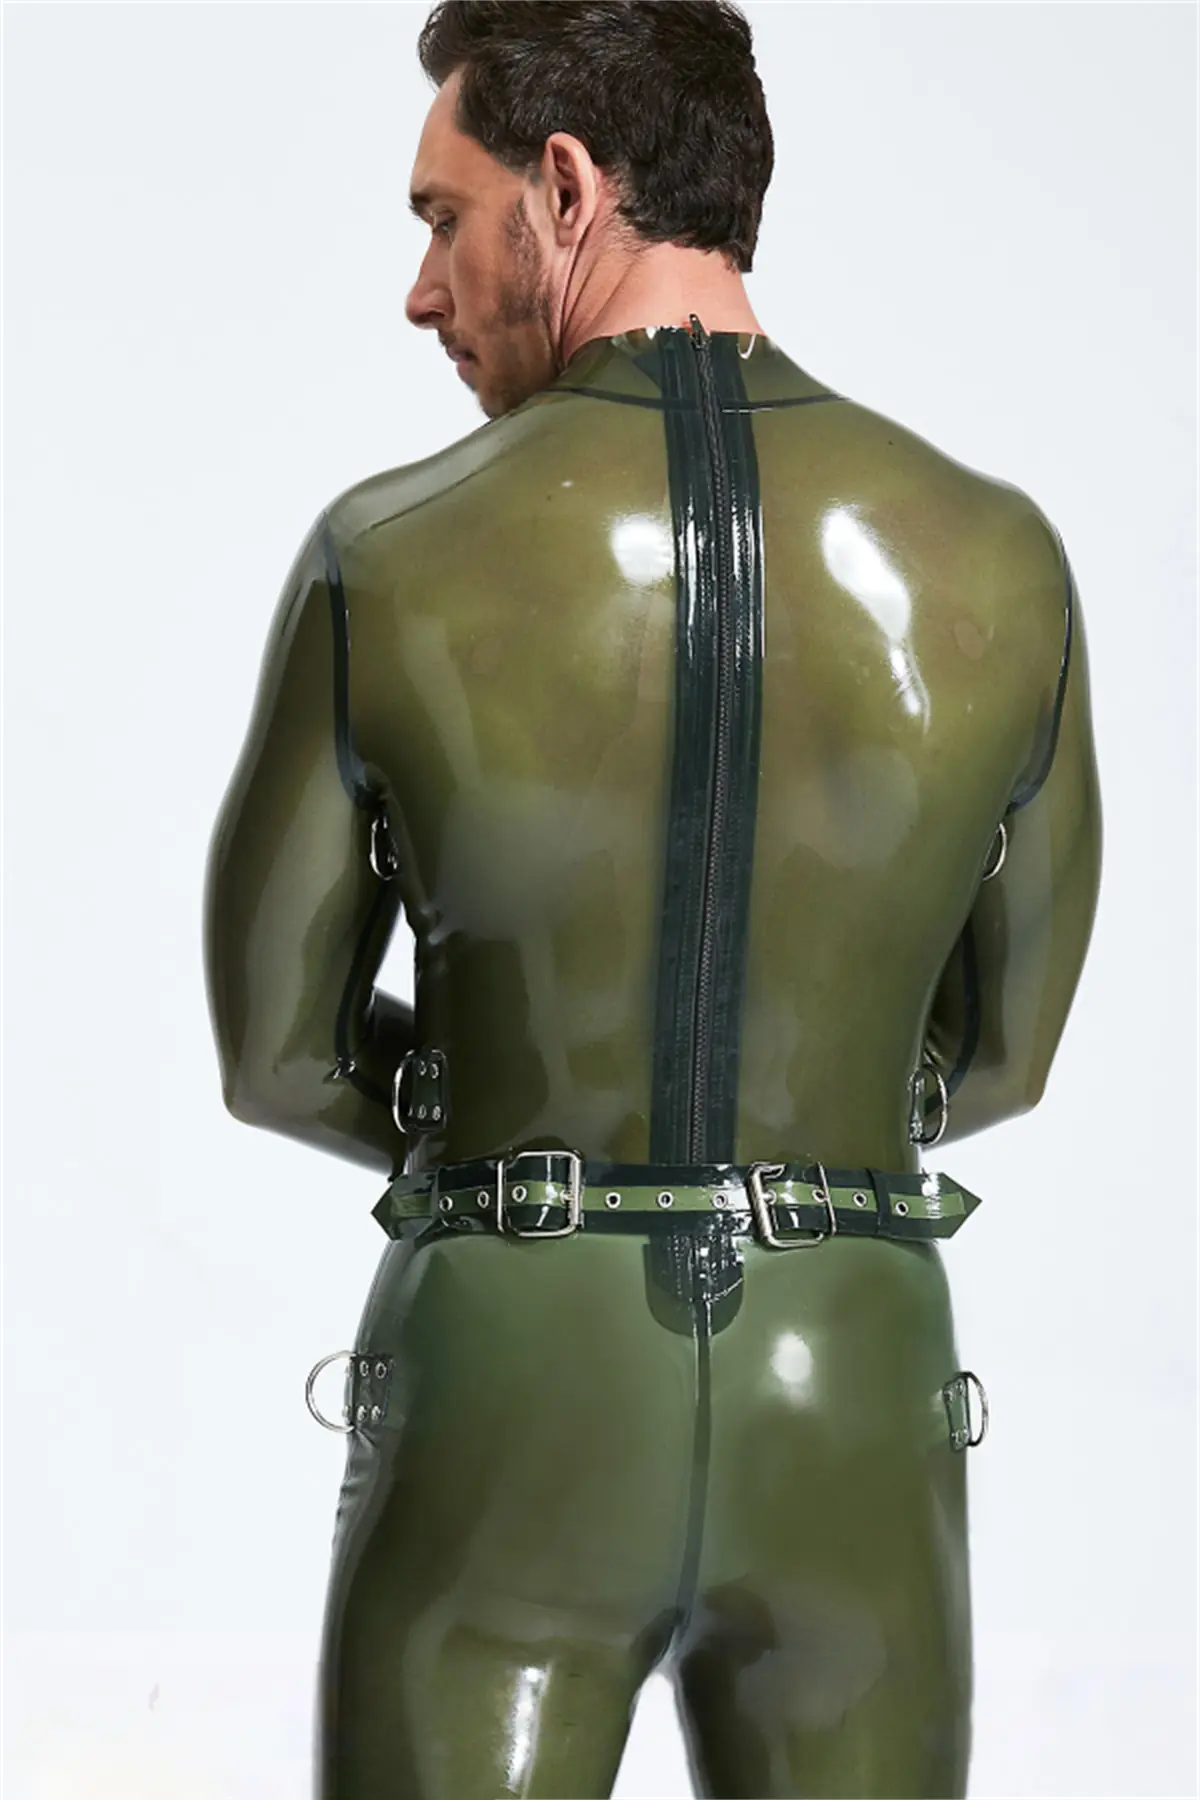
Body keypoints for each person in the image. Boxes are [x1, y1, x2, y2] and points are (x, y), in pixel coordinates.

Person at [202, 4, 1103, 1794]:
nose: (421, 290)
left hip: (508, 1382)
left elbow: (277, 1056)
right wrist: (809, 1126)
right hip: (850, 1372)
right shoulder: (999, 556)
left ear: (567, 189)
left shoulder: (389, 553)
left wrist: (512, 1129)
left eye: (442, 219)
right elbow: (1003, 1054)